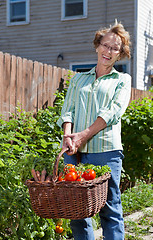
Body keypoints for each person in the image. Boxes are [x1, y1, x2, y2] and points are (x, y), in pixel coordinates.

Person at [57, 21, 131, 240]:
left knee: (110, 209)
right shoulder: (79, 78)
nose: (108, 51)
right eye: (105, 45)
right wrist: (69, 138)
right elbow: (67, 111)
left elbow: (112, 112)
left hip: (105, 151)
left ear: (120, 54)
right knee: (77, 211)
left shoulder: (122, 80)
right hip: (74, 152)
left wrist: (82, 135)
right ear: (98, 45)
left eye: (115, 48)